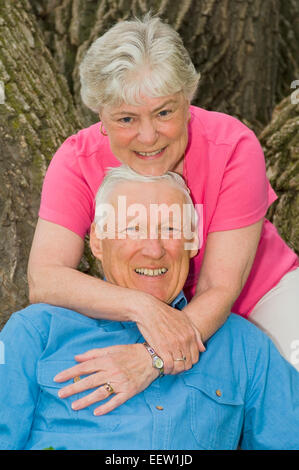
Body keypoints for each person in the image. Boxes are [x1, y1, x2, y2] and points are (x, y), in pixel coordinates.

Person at [27, 12, 299, 411]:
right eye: (125, 119)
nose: (149, 136)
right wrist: (143, 308)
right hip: (140, 301)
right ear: (99, 115)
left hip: (255, 296)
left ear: (188, 101)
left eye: (164, 113)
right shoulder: (76, 160)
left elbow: (218, 289)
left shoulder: (233, 145)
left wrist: (153, 359)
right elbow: (45, 278)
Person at [1, 167, 299, 450]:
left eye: (170, 228)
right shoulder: (35, 331)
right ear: (99, 242)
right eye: (132, 229)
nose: (154, 250)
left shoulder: (243, 346)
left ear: (192, 241)